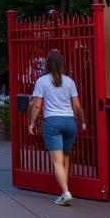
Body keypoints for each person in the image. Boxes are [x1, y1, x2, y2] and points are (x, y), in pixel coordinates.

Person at [28, 50, 85, 206]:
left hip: (52, 122)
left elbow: (37, 104)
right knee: (66, 157)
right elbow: (77, 105)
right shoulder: (69, 82)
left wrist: (32, 123)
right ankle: (64, 190)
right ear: (62, 64)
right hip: (70, 122)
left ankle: (66, 192)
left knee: (57, 161)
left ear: (47, 64)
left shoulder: (42, 81)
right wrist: (83, 122)